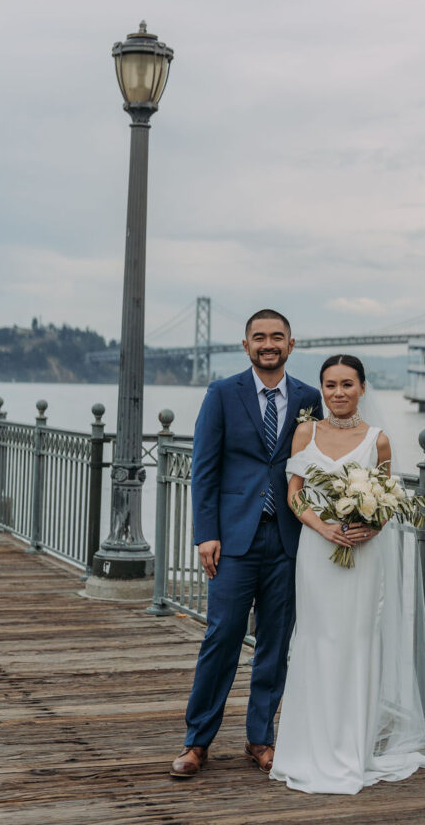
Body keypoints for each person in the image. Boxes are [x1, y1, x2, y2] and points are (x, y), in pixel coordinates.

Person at [270, 353, 425, 794]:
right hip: (316, 552)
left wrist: (370, 525)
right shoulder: (306, 431)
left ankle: (351, 749)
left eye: (347, 384)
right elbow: (294, 494)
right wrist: (323, 527)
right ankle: (308, 746)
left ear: (363, 388)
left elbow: (384, 500)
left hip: (362, 555)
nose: (338, 393)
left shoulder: (378, 440)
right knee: (317, 639)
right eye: (330, 385)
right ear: (321, 390)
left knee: (359, 643)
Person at [170, 309, 323, 778]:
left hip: (288, 540)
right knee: (222, 638)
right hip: (233, 540)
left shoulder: (309, 398)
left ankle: (261, 738)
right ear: (246, 345)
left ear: (291, 345)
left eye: (277, 336)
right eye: (260, 337)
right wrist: (206, 534)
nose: (268, 344)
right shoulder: (221, 394)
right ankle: (197, 742)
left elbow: (319, 467)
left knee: (275, 643)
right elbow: (205, 469)